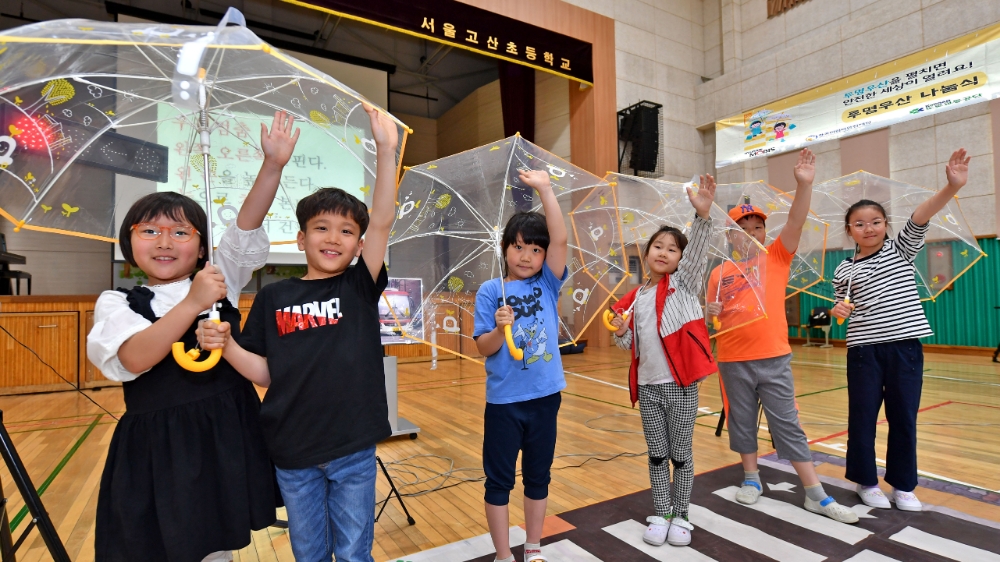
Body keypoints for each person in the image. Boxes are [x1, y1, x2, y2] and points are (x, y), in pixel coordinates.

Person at [88, 110, 301, 561]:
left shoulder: (219, 278)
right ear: (130, 242)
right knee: (171, 543)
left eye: (180, 232)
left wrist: (273, 165)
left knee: (217, 544)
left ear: (202, 245)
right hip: (162, 449)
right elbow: (134, 358)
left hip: (226, 435)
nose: (164, 241)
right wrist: (190, 304)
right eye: (150, 231)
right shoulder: (117, 302)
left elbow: (245, 226)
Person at [202, 104, 398, 561]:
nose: (333, 238)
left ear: (359, 245)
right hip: (292, 450)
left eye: (346, 231)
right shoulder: (274, 296)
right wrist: (226, 346)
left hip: (352, 446)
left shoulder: (358, 285)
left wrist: (386, 150)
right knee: (309, 555)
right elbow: (266, 373)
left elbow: (383, 220)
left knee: (353, 554)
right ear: (300, 239)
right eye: (321, 228)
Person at [706, 149, 858, 524]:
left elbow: (796, 219)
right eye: (743, 228)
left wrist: (803, 185)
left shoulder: (776, 256)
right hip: (732, 359)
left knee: (787, 423)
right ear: (730, 235)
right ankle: (751, 478)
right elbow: (714, 321)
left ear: (765, 232)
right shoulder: (719, 272)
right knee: (741, 421)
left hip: (773, 357)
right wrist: (710, 312)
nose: (752, 233)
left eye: (758, 227)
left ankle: (815, 494)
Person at [832, 149, 971, 512]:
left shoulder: (901, 250)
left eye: (876, 221)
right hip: (863, 351)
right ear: (849, 230)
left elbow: (921, 215)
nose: (869, 228)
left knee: (904, 417)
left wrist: (951, 187)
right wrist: (838, 310)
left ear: (886, 225)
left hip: (905, 348)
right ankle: (865, 481)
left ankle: (904, 485)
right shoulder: (844, 270)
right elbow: (840, 312)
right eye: (859, 224)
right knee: (863, 417)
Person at [609, 175, 719, 547]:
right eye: (658, 246)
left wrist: (702, 217)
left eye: (672, 249)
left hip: (682, 387)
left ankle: (682, 513)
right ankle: (662, 511)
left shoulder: (683, 285)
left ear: (680, 259)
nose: (663, 252)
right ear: (646, 253)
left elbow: (697, 254)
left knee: (680, 454)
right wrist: (620, 330)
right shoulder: (635, 298)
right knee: (657, 455)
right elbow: (627, 345)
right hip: (648, 388)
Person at [472, 169, 568, 562]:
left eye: (535, 249)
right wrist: (499, 328)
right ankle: (502, 554)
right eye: (518, 247)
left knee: (538, 477)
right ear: (504, 248)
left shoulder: (547, 283)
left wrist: (545, 189)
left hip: (545, 398)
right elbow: (484, 347)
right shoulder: (490, 291)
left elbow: (560, 238)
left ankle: (533, 546)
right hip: (504, 402)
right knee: (498, 481)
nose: (526, 256)